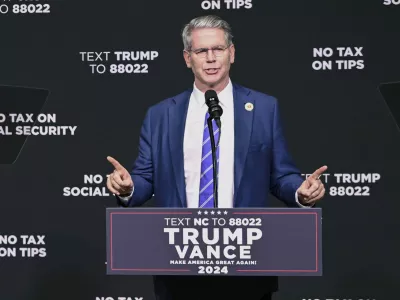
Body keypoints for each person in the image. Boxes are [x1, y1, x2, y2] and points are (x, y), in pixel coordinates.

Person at [106, 15, 327, 300]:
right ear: (188, 58)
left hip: (247, 261)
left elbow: (280, 175)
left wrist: (300, 191)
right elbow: (146, 178)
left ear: (231, 53)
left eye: (218, 49)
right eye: (201, 51)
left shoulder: (263, 108)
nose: (210, 58)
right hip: (179, 261)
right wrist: (128, 188)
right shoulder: (161, 114)